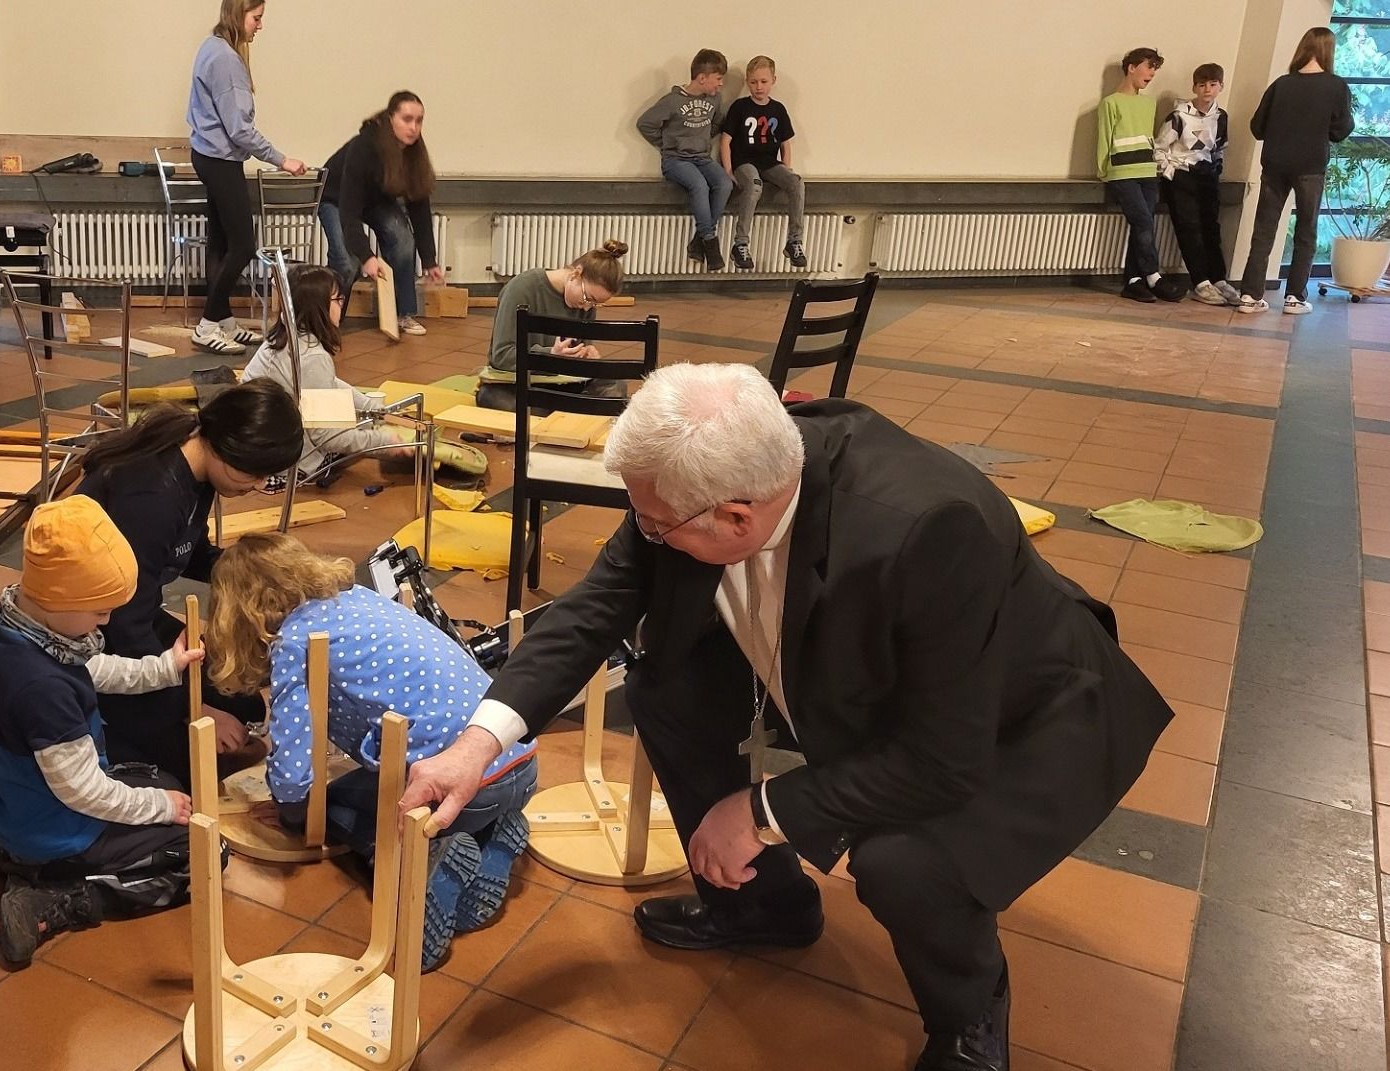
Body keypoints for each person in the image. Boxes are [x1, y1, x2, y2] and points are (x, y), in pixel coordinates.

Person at [401, 363, 1174, 1071]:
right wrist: (478, 743)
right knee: (669, 689)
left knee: (907, 864)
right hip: (857, 668)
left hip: (1021, 713)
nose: (642, 531)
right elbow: (591, 611)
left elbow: (941, 758)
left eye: (654, 522)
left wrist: (763, 809)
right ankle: (765, 906)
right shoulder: (707, 472)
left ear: (736, 517)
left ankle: (970, 1009)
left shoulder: (933, 527)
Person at [208, 532, 537, 969]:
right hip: (515, 756)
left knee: (330, 805)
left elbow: (291, 767)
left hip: (456, 785)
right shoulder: (358, 597)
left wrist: (292, 808)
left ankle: (419, 865)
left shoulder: (294, 641)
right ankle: (492, 836)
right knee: (369, 784)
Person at [0, 496, 203, 969]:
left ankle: (10, 849)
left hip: (23, 806)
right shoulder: (43, 688)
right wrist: (155, 807)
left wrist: (163, 668)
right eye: (99, 612)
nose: (107, 622)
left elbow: (90, 669)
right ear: (62, 601)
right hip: (61, 828)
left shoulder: (16, 625)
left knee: (167, 787)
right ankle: (58, 898)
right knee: (196, 851)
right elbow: (82, 790)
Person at [75, 380, 304, 786]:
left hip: (129, 621)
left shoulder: (198, 468)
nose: (254, 486)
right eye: (252, 473)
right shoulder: (152, 496)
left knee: (246, 703)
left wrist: (259, 578)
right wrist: (195, 710)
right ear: (226, 445)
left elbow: (189, 553)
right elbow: (126, 626)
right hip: (90, 638)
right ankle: (58, 707)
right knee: (199, 762)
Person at [187, 0, 307, 356]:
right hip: (221, 159)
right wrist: (281, 159)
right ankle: (208, 323)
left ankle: (222, 318)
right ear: (239, 15)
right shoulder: (226, 60)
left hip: (207, 155)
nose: (260, 25)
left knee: (221, 242)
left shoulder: (212, 45)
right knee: (242, 244)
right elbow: (240, 130)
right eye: (257, 18)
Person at [241, 263, 414, 477]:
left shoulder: (282, 336)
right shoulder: (313, 357)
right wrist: (384, 441)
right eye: (338, 299)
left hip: (258, 449)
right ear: (317, 305)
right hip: (287, 464)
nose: (342, 305)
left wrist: (373, 407)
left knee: (355, 420)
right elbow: (326, 436)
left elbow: (327, 384)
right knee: (358, 431)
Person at [1235, 26, 1354, 316]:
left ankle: (1250, 295)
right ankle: (1294, 298)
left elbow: (1257, 127)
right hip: (1310, 167)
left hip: (1274, 165)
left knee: (1264, 230)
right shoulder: (1336, 86)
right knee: (1305, 231)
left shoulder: (1281, 84)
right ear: (1329, 50)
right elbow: (1341, 131)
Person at [320, 91, 446, 338]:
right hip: (335, 198)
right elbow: (349, 211)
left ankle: (403, 313)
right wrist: (366, 256)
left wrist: (430, 261)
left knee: (403, 239)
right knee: (347, 262)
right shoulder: (364, 147)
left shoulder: (413, 153)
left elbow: (419, 207)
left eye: (419, 121)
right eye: (407, 119)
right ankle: (328, 318)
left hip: (376, 200)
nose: (413, 127)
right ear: (391, 119)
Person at [475, 240, 629, 412]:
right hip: (520, 383)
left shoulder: (584, 303)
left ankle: (554, 418)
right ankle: (567, 418)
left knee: (615, 387)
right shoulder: (522, 288)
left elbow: (579, 351)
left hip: (562, 383)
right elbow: (501, 356)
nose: (587, 307)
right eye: (588, 298)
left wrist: (587, 356)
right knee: (493, 398)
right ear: (576, 274)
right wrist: (550, 356)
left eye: (595, 304)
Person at [1100, 47, 1184, 304]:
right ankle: (1153, 276)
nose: (1152, 74)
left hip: (1147, 172)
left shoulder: (1149, 103)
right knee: (1143, 223)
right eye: (1149, 67)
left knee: (1143, 224)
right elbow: (1104, 138)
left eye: (1155, 69)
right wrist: (1103, 171)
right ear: (1131, 67)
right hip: (1122, 173)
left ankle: (1133, 281)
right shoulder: (1110, 102)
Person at [1155, 63, 1241, 306]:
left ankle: (1218, 278)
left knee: (1211, 228)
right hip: (1182, 176)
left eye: (1213, 84)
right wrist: (1171, 172)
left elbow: (1220, 147)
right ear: (1194, 87)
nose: (1207, 90)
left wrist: (1217, 168)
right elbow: (1160, 147)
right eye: (1202, 84)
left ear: (1220, 86)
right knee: (1189, 228)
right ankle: (1200, 281)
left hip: (1207, 176)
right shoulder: (1179, 115)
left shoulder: (1220, 116)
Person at [638, 49, 730, 271]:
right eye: (717, 79)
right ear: (702, 78)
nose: (720, 85)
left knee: (724, 183)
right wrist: (669, 142)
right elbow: (645, 123)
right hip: (676, 160)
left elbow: (718, 122)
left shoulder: (714, 100)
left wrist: (703, 139)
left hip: (702, 157)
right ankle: (709, 239)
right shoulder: (673, 101)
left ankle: (698, 241)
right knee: (699, 185)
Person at [720, 56, 808, 270]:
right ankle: (741, 243)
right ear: (747, 82)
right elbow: (726, 140)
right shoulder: (740, 107)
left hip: (769, 162)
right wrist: (728, 170)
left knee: (796, 182)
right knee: (754, 184)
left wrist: (786, 170)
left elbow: (786, 144)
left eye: (763, 82)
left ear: (773, 81)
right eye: (753, 82)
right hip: (744, 161)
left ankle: (794, 240)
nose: (758, 87)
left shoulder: (778, 109)